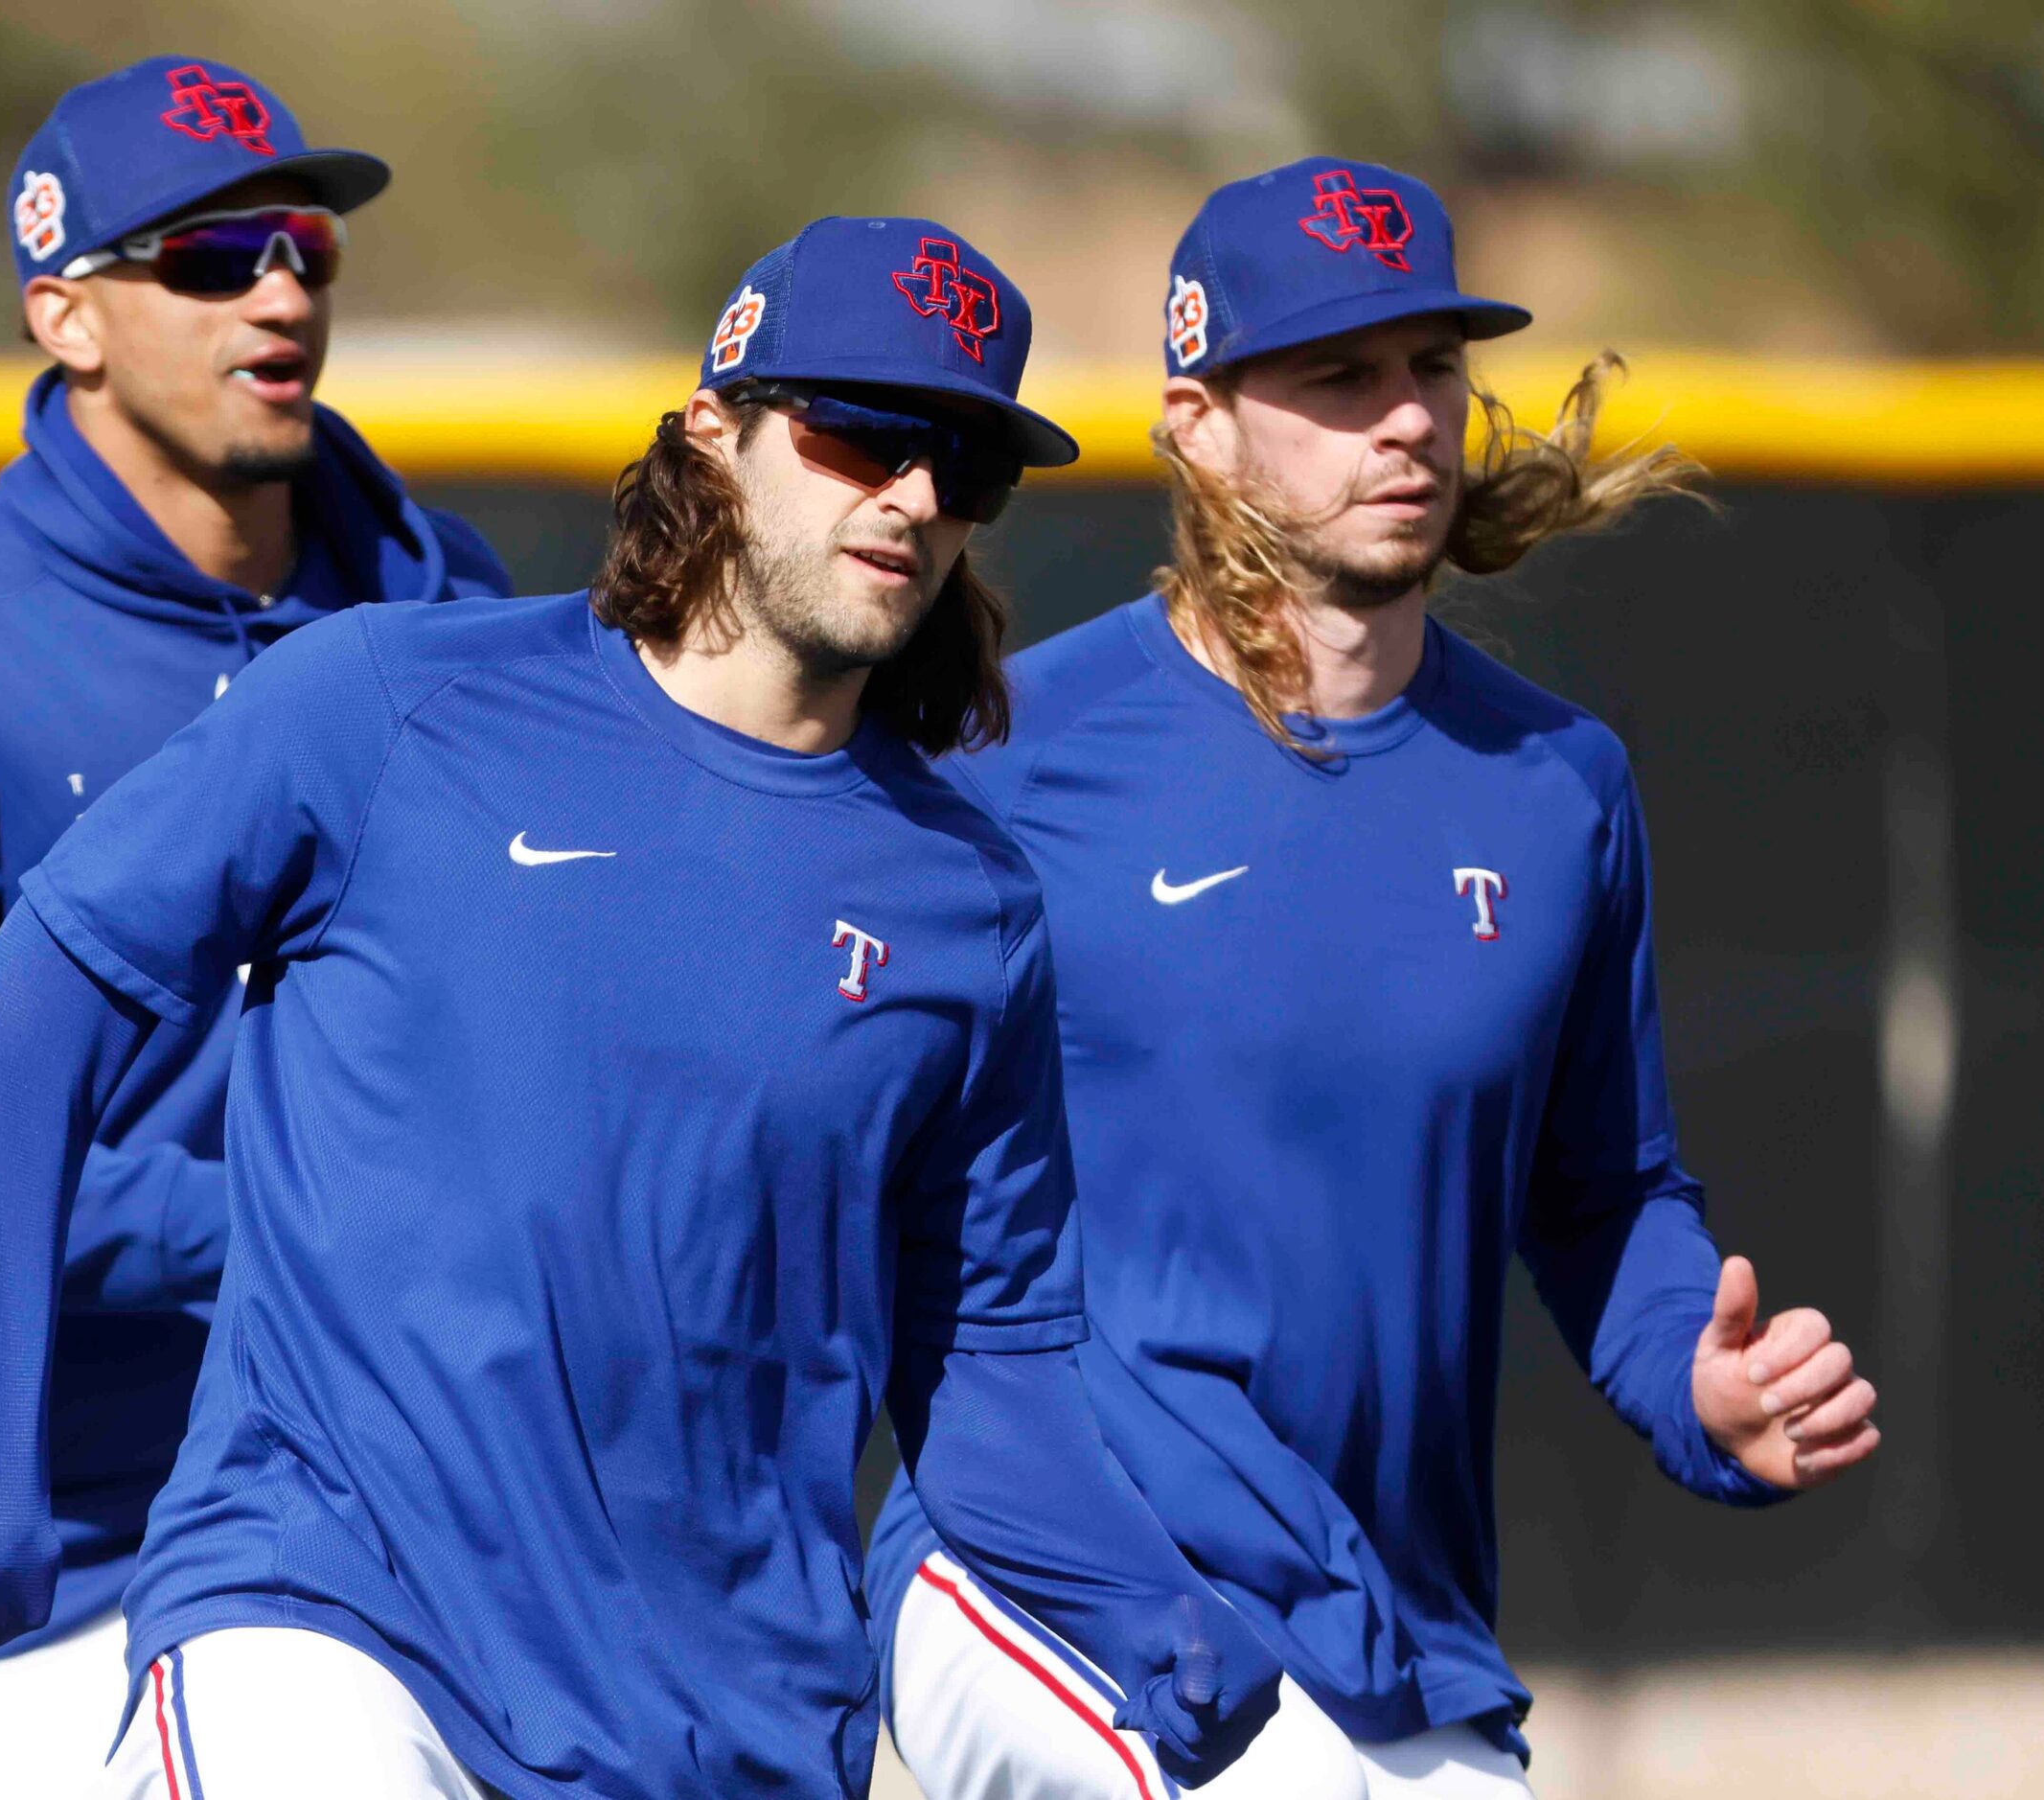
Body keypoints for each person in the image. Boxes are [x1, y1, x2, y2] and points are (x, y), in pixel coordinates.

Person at [0, 216, 1282, 1800]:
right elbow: (38, 1001)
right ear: (712, 431)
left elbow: (987, 1364)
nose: (915, 495)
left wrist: (1134, 1596)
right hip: (326, 1629)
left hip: (731, 1720)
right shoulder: (389, 705)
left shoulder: (973, 905)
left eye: (968, 463)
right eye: (860, 432)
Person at [866, 157, 1882, 1800]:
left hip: (1390, 1625)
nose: (1407, 418)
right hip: (1049, 1565)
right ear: (1195, 421)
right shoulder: (1001, 759)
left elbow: (1605, 1189)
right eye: (1340, 377)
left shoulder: (1558, 783)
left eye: (1432, 367)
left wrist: (1703, 1373)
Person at [0, 55, 511, 1799]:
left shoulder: (452, 611)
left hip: (426, 1505)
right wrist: (287, 1229)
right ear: (66, 317)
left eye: (307, 246)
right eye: (211, 256)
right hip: (75, 1546)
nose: (283, 291)